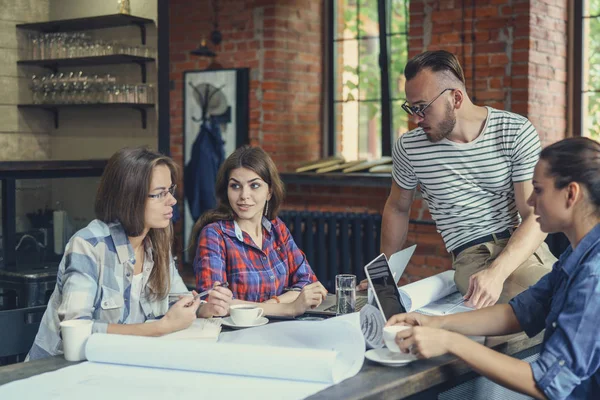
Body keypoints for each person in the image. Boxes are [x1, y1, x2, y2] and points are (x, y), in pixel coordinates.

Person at [386, 137, 600, 399]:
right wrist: (437, 324)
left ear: (571, 194)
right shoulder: (577, 255)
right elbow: (520, 312)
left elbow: (547, 383)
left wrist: (450, 342)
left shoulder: (593, 276)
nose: (531, 201)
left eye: (539, 190)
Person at [359, 50, 556, 308]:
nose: (415, 119)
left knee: (577, 290)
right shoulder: (409, 148)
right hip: (472, 256)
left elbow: (533, 216)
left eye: (422, 108)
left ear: (456, 98)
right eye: (410, 108)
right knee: (553, 300)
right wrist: (383, 276)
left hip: (523, 247)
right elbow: (397, 207)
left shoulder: (515, 131)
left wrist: (497, 273)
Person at [27, 147, 232, 361]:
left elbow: (175, 301)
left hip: (122, 364)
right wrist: (161, 327)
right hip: (58, 372)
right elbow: (76, 332)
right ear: (129, 197)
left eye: (170, 190)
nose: (172, 200)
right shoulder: (88, 245)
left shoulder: (155, 243)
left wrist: (204, 308)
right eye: (159, 194)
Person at [190, 145, 327, 317]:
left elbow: (308, 282)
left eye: (254, 185)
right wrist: (290, 307)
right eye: (235, 186)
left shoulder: (277, 228)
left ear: (269, 191)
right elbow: (214, 304)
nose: (244, 196)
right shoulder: (214, 235)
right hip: (238, 335)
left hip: (281, 329)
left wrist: (270, 304)